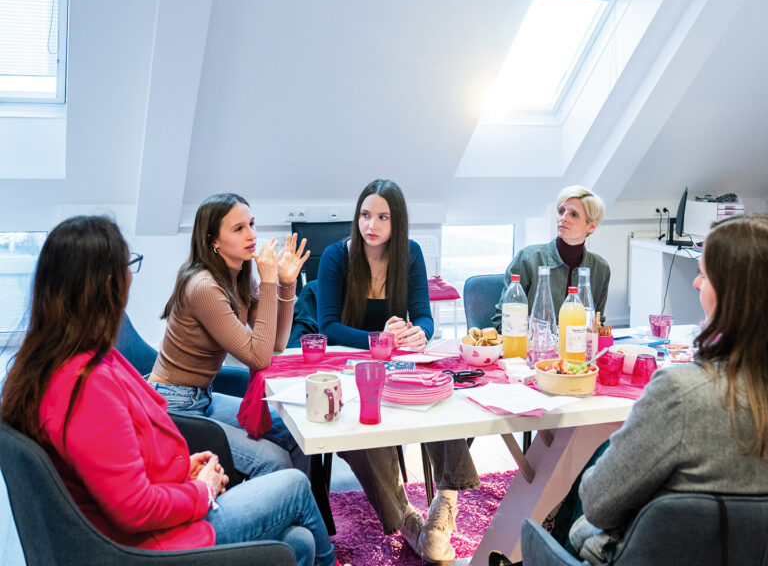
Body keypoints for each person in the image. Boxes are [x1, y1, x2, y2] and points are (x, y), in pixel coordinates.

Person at [0, 216, 335, 566]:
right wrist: (200, 491)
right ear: (108, 283)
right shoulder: (86, 385)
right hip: (149, 546)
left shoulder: (66, 359)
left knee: (297, 542)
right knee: (294, 485)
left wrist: (180, 471)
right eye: (129, 265)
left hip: (153, 520)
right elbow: (133, 508)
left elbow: (114, 465)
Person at [565, 214, 768, 564]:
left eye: (705, 275)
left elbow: (599, 504)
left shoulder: (682, 395)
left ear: (736, 296)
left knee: (581, 529)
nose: (696, 284)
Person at [317, 179, 478, 562]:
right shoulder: (336, 256)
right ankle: (405, 516)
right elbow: (327, 326)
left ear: (397, 222)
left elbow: (423, 315)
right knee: (360, 431)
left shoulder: (411, 254)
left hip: (401, 364)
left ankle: (445, 501)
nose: (371, 224)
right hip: (351, 368)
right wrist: (377, 340)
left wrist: (419, 333)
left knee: (442, 401)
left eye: (382, 217)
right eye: (365, 215)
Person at [148, 193, 311, 476]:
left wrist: (286, 283)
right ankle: (278, 514)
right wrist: (270, 281)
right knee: (275, 460)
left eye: (251, 224)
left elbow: (276, 343)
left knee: (298, 430)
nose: (251, 235)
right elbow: (258, 358)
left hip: (202, 397)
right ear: (213, 241)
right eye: (238, 229)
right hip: (175, 408)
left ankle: (302, 509)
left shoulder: (240, 273)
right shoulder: (204, 287)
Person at [492, 185, 609, 331]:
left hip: (577, 349)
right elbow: (502, 321)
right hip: (533, 349)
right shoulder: (528, 259)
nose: (563, 218)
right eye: (561, 211)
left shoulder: (601, 269)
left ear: (591, 227)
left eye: (573, 214)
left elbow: (597, 323)